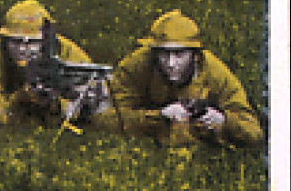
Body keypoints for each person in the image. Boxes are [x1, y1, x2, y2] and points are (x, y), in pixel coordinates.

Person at [110, 10, 263, 146]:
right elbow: (107, 116)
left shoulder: (216, 74)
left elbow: (254, 132)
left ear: (195, 55)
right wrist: (159, 117)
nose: (171, 63)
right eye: (164, 53)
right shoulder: (135, 65)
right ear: (154, 52)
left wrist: (224, 121)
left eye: (179, 54)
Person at [0, 0, 113, 129]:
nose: (23, 49)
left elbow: (97, 92)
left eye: (32, 42)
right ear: (5, 40)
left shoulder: (69, 53)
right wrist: (16, 101)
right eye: (16, 41)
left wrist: (60, 102)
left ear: (47, 40)